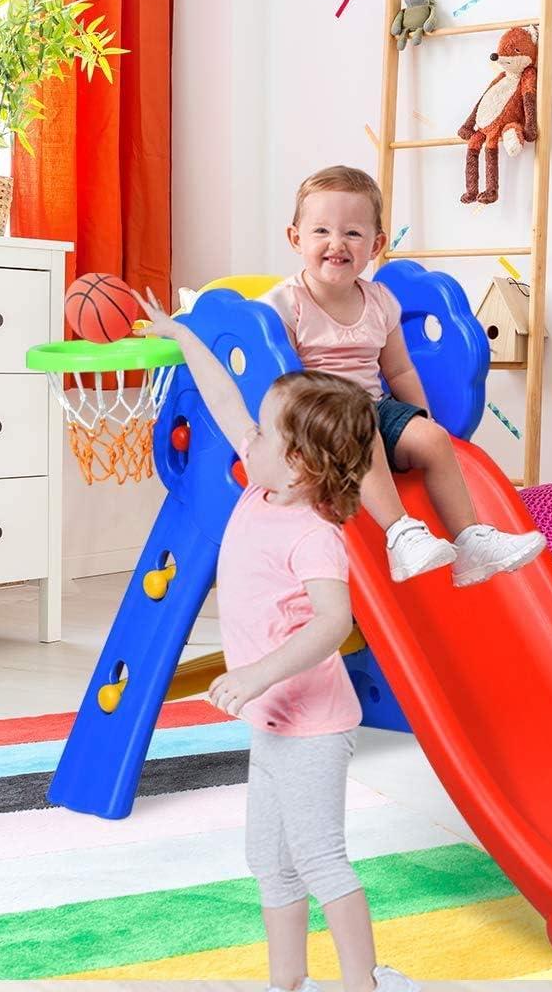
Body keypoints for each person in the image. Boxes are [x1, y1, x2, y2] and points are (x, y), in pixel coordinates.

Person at [135, 289, 418, 992]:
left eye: (263, 434)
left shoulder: (314, 535)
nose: (246, 439)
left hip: (314, 726)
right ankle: (287, 982)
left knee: (320, 858)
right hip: (274, 721)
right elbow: (226, 399)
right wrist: (182, 335)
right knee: (268, 856)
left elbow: (334, 624)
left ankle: (365, 983)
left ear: (297, 463)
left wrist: (257, 672)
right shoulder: (264, 487)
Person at [262, 164, 546, 585]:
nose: (336, 243)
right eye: (321, 231)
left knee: (433, 440)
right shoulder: (287, 303)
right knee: (363, 427)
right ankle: (401, 534)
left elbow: (398, 368)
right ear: (295, 238)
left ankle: (471, 541)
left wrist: (419, 418)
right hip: (316, 419)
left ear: (375, 244)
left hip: (375, 406)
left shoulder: (380, 302)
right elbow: (280, 378)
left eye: (352, 234)